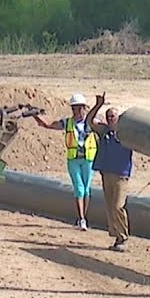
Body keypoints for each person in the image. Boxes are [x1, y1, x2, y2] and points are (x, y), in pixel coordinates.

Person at [33, 93, 103, 230]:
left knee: (86, 189)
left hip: (88, 159)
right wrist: (34, 115)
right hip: (74, 160)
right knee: (79, 189)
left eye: (78, 108)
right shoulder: (67, 123)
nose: (76, 111)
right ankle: (81, 218)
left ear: (84, 108)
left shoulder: (92, 122)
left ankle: (84, 217)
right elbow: (47, 124)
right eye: (74, 108)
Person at [89, 103, 133, 251]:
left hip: (121, 175)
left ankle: (123, 237)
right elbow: (90, 121)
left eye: (113, 116)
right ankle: (117, 237)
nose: (110, 119)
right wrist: (97, 105)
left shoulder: (126, 133)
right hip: (106, 174)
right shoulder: (104, 131)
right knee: (110, 207)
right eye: (108, 117)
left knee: (118, 206)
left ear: (118, 118)